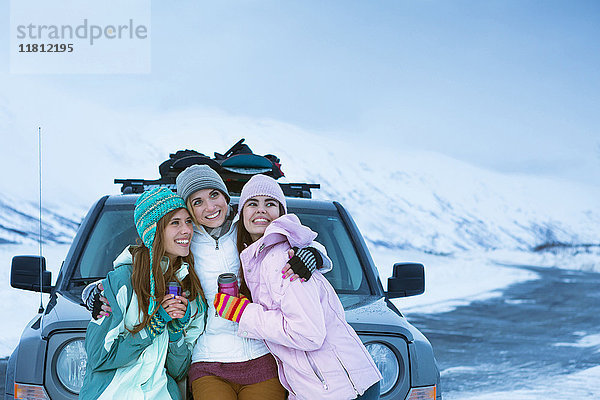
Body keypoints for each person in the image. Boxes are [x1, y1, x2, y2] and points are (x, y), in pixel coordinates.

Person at [83, 165, 330, 400]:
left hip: (261, 350)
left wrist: (314, 253)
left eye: (214, 195)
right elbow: (142, 264)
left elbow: (286, 238)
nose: (210, 207)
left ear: (226, 197)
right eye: (197, 202)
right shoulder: (185, 246)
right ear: (188, 209)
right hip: (207, 357)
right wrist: (92, 292)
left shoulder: (246, 230)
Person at [213, 174, 382, 400]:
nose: (261, 210)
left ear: (281, 214)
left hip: (342, 389)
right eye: (252, 203)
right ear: (241, 213)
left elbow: (308, 333)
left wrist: (244, 313)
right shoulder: (259, 258)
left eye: (270, 203)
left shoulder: (283, 259)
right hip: (324, 386)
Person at [80, 187, 207, 400]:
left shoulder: (188, 291)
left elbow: (179, 371)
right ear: (153, 231)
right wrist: (153, 326)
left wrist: (175, 333)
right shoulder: (120, 282)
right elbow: (98, 357)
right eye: (175, 223)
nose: (186, 230)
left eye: (188, 222)